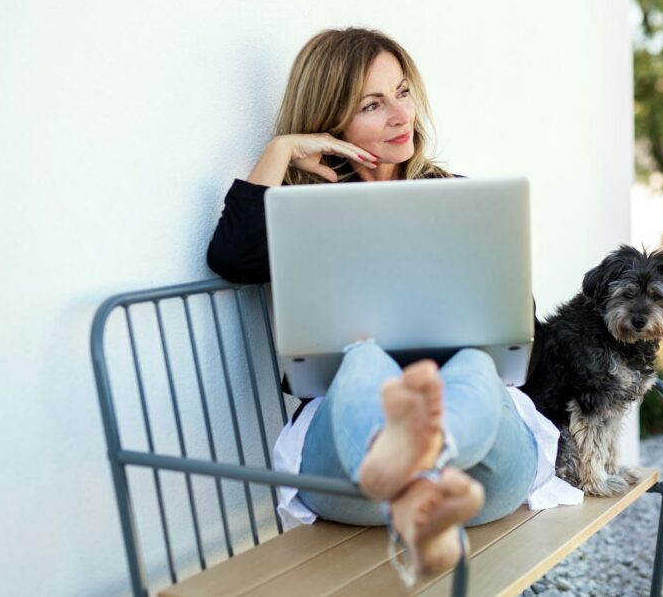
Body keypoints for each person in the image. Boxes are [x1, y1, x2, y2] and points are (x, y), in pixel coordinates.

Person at [206, 28, 581, 581]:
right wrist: (280, 150)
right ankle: (410, 464)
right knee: (363, 360)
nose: (400, 116)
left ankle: (426, 456)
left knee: (476, 364)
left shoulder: (462, 201)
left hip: (481, 467)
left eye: (402, 93)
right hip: (353, 476)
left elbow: (523, 344)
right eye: (372, 104)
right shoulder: (303, 216)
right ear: (331, 122)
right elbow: (231, 259)